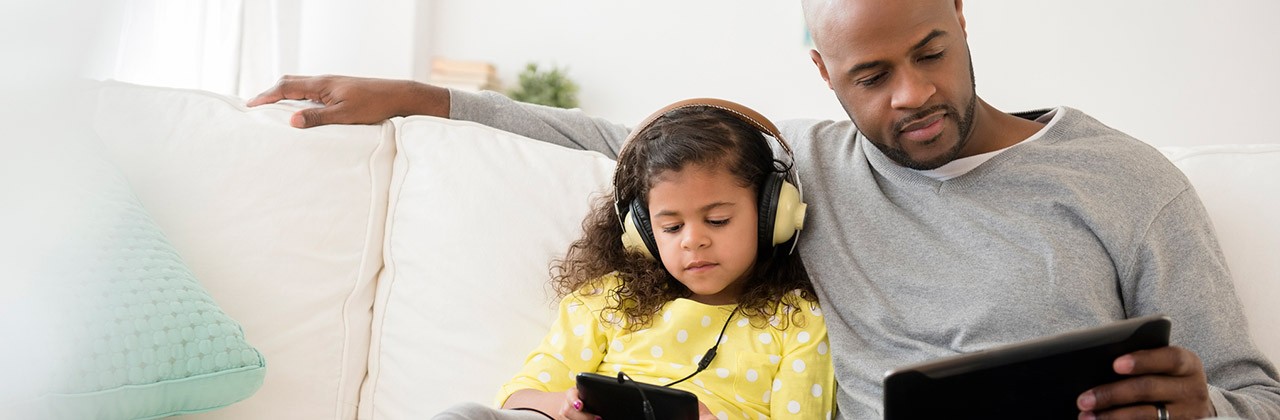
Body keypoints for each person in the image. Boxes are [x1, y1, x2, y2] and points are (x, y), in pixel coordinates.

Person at [249, 1, 1280, 418]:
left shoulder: (1126, 182)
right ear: (823, 74)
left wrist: (1201, 413)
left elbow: (1248, 392)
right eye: (871, 75)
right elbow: (629, 146)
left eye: (929, 53)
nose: (910, 95)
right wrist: (416, 98)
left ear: (961, 18)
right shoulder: (806, 170)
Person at [433, 99, 834, 420]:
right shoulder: (611, 300)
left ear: (772, 216)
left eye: (717, 220)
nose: (693, 241)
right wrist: (561, 406)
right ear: (642, 233)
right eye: (672, 228)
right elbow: (517, 396)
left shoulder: (796, 321)